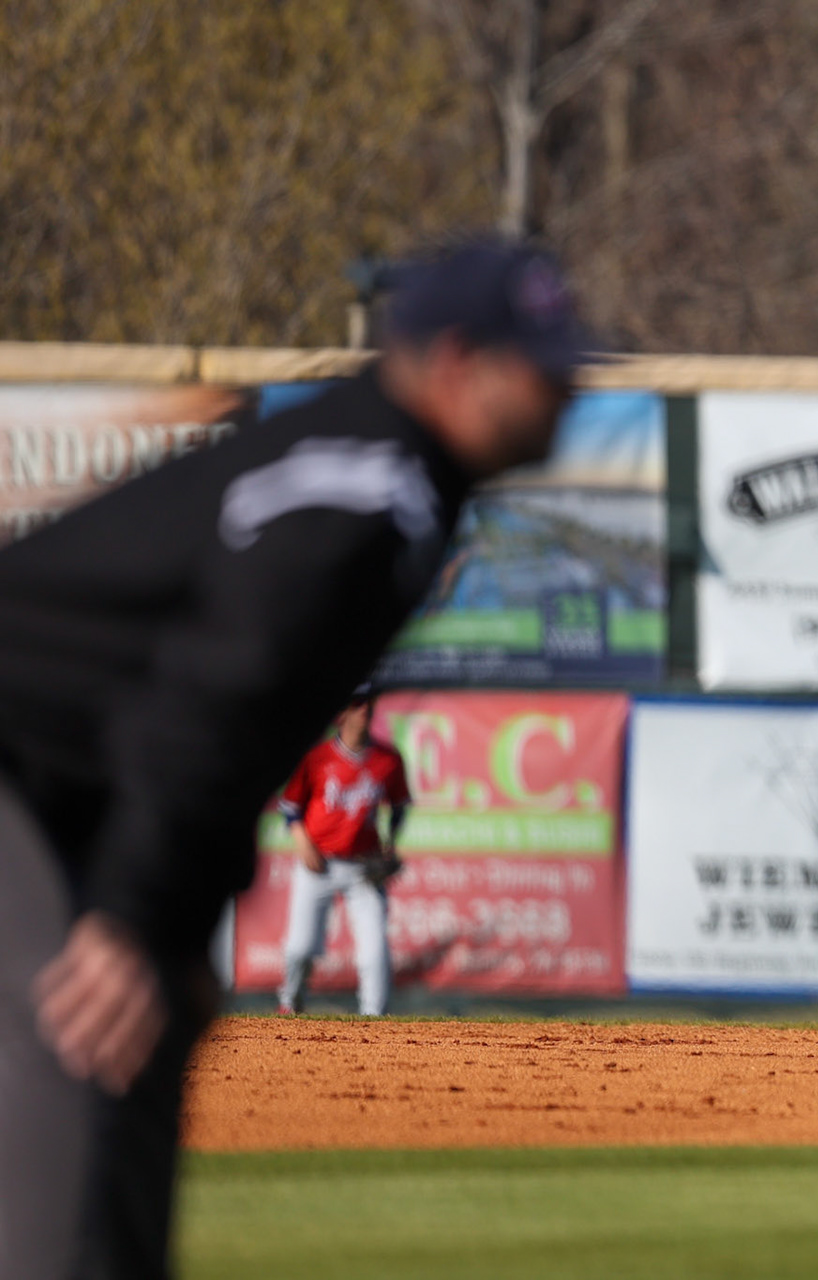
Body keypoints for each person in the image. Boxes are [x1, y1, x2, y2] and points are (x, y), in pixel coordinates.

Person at [0, 236, 589, 1279]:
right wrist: (134, 914)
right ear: (456, 360)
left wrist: (168, 924)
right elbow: (208, 701)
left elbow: (239, 726)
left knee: (138, 1060)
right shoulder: (358, 487)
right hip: (26, 773)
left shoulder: (398, 473)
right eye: (540, 365)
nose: (566, 388)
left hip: (63, 778)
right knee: (82, 1076)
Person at [277, 685, 410, 1019]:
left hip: (363, 868)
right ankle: (290, 1004)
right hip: (318, 864)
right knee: (300, 948)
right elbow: (291, 807)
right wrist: (302, 843)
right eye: (357, 703)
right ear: (342, 714)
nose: (366, 708)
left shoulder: (388, 760)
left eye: (369, 702)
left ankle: (374, 1017)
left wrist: (390, 845)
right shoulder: (317, 758)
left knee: (374, 950)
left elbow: (399, 807)